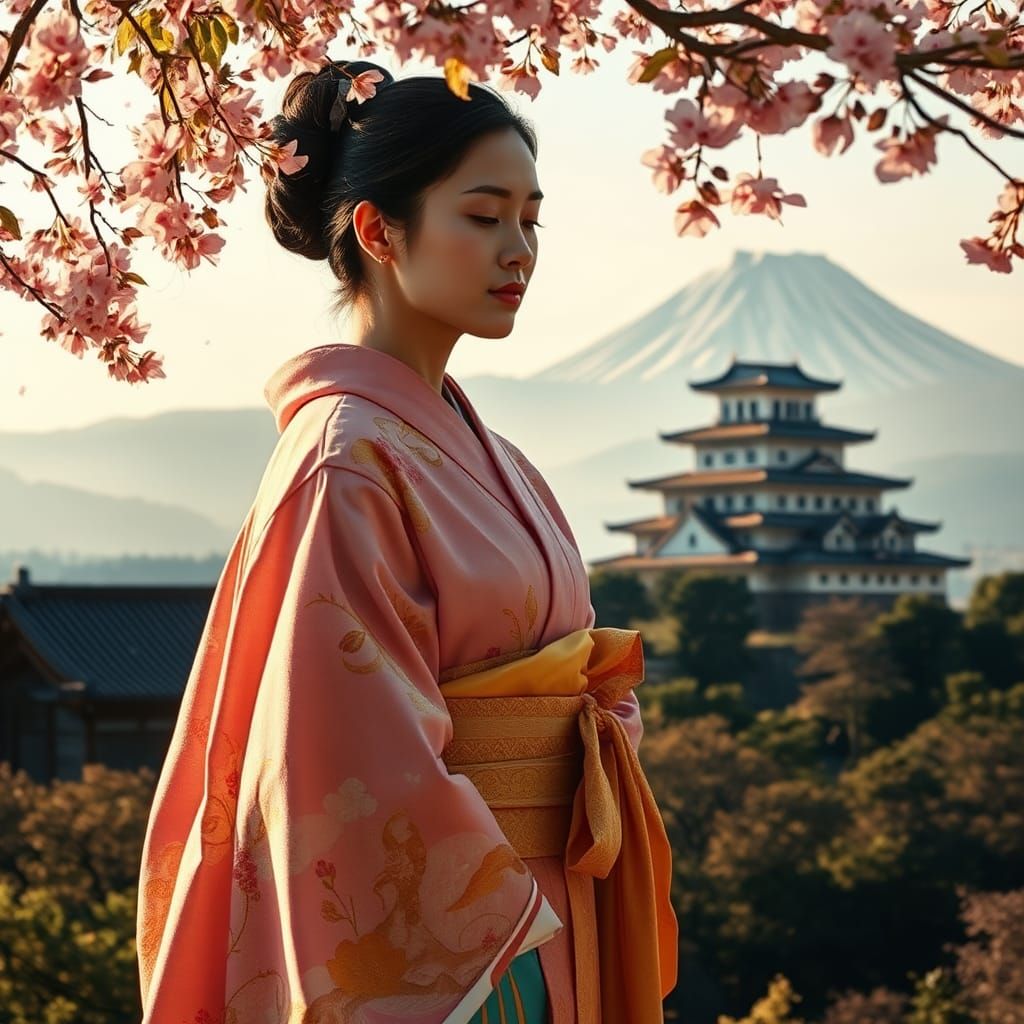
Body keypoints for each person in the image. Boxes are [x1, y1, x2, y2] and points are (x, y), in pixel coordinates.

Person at [136, 59, 677, 1024]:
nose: (520, 250)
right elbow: (348, 749)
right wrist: (498, 946)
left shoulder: (477, 447)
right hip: (482, 947)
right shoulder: (346, 460)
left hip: (559, 899)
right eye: (483, 215)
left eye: (531, 218)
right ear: (381, 230)